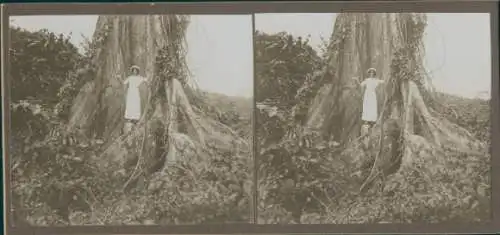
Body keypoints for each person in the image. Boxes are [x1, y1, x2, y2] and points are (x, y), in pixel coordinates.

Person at [357, 68, 385, 134]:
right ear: (369, 73)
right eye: (370, 72)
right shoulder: (367, 80)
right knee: (367, 107)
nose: (371, 74)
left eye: (372, 73)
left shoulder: (376, 80)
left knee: (372, 107)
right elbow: (360, 85)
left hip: (372, 95)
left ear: (374, 74)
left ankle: (372, 122)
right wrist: (357, 80)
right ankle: (366, 121)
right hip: (367, 95)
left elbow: (383, 81)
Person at [123, 65, 148, 135]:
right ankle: (130, 118)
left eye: (135, 70)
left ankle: (135, 118)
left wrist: (147, 78)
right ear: (132, 71)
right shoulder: (130, 78)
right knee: (130, 105)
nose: (134, 71)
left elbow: (145, 79)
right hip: (130, 92)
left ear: (137, 71)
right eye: (133, 70)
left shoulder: (139, 78)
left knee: (136, 104)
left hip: (136, 93)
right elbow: (124, 82)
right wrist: (119, 78)